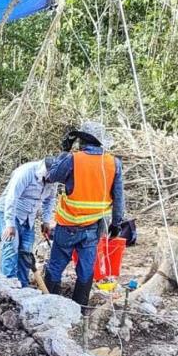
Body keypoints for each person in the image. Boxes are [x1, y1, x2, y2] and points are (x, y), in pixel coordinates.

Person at [43, 121, 126, 307]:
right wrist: (116, 223)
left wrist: (64, 151)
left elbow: (52, 176)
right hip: (93, 227)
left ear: (81, 140)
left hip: (68, 225)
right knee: (86, 269)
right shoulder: (113, 163)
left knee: (56, 266)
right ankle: (80, 311)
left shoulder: (73, 158)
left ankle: (50, 307)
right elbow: (119, 198)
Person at [0, 158, 57, 287]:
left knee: (25, 253)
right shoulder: (26, 172)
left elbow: (50, 200)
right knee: (11, 249)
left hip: (28, 218)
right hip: (9, 213)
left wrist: (46, 221)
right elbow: (12, 197)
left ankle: (22, 286)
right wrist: (10, 224)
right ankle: (7, 286)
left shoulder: (53, 179)